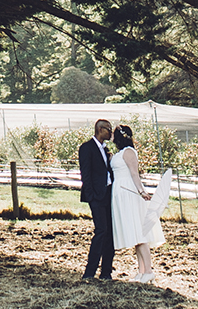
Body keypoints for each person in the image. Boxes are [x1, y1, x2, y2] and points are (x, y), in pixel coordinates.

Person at [110, 124, 170, 284]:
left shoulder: (129, 152)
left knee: (140, 234)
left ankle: (148, 271)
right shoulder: (120, 153)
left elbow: (134, 174)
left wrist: (141, 192)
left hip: (130, 192)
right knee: (135, 234)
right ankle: (141, 271)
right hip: (120, 192)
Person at [77, 119, 116, 282]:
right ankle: (89, 272)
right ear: (100, 129)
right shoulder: (87, 148)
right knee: (101, 231)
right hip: (96, 197)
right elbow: (85, 174)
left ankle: (106, 272)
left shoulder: (105, 150)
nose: (110, 132)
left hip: (109, 195)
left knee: (110, 234)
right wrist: (91, 196)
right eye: (108, 129)